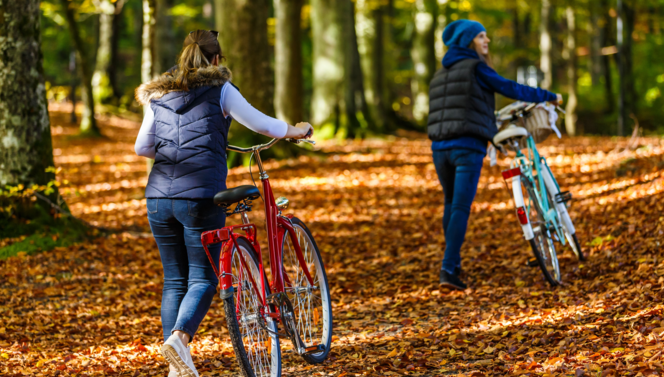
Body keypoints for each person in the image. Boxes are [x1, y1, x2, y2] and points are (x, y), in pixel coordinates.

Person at [134, 30, 313, 377]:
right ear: (216, 60)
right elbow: (262, 124)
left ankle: (177, 366)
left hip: (157, 198)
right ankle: (179, 339)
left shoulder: (159, 94)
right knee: (203, 278)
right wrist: (297, 130)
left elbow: (142, 147)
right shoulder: (220, 89)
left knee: (174, 280)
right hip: (199, 196)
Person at [428, 20, 562, 290]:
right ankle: (448, 270)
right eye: (480, 36)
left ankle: (452, 264)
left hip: (439, 149)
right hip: (467, 147)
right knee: (460, 207)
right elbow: (511, 88)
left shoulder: (439, 74)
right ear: (468, 42)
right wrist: (548, 96)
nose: (486, 41)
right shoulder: (476, 68)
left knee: (451, 204)